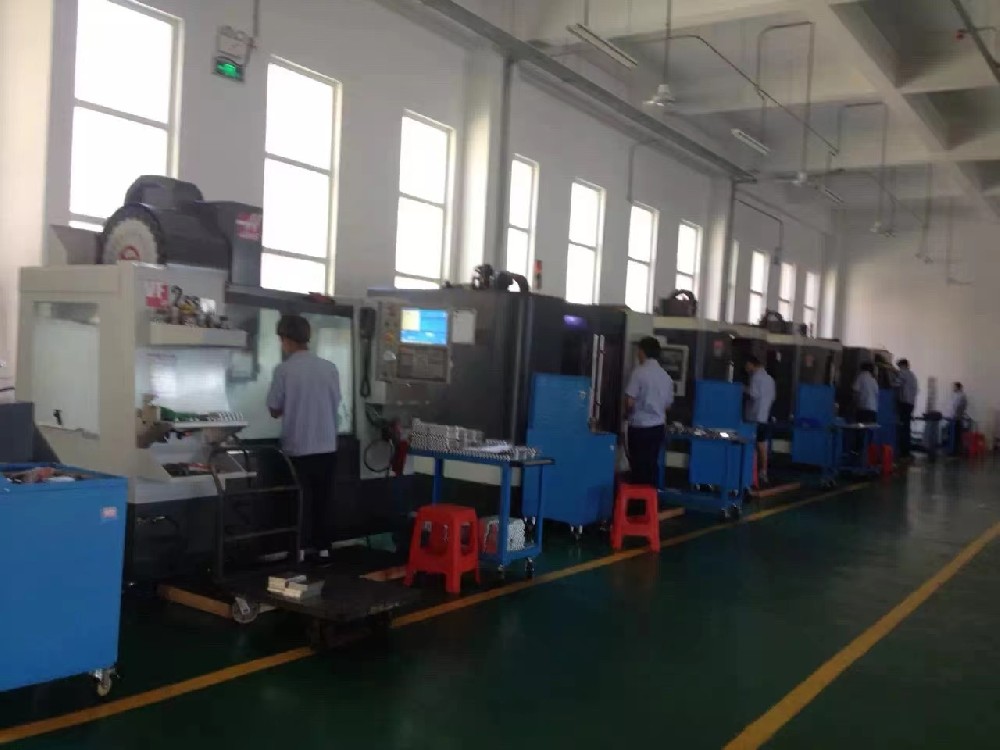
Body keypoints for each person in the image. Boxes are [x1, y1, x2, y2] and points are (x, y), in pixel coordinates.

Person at [267, 314, 342, 560]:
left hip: (298, 447)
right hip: (327, 446)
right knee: (323, 501)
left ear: (286, 339)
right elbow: (336, 401)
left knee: (297, 501)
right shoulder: (330, 368)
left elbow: (274, 408)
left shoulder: (284, 370)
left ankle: (297, 552)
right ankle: (323, 551)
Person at [624, 337, 674, 487]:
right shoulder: (666, 376)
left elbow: (629, 401)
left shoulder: (639, 373)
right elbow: (667, 406)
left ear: (642, 351)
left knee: (638, 466)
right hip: (657, 428)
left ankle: (638, 498)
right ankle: (651, 497)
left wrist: (626, 415)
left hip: (639, 427)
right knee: (651, 465)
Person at [744, 355, 776, 487]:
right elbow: (772, 397)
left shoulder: (756, 377)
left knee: (752, 446)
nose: (746, 369)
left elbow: (754, 394)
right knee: (763, 445)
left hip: (755, 417)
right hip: (765, 416)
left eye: (747, 366)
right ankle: (763, 472)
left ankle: (751, 475)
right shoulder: (770, 379)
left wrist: (743, 389)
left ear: (752, 364)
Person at [896, 359, 919, 459]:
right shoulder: (912, 375)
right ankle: (906, 451)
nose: (899, 368)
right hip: (910, 404)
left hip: (904, 404)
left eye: (899, 366)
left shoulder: (903, 373)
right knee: (906, 427)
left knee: (903, 427)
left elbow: (896, 384)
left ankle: (903, 451)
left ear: (903, 365)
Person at [949, 382, 969, 456]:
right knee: (954, 435)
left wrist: (955, 415)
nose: (953, 388)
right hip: (955, 417)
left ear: (958, 387)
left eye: (954, 387)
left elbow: (958, 407)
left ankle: (954, 451)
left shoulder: (961, 396)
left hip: (956, 418)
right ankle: (954, 450)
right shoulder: (957, 395)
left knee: (955, 436)